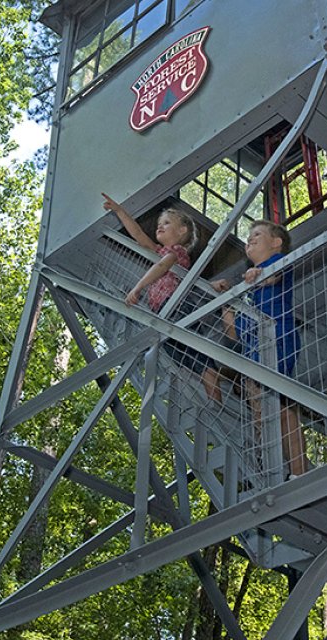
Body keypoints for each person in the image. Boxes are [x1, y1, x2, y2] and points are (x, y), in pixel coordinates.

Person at [102, 193, 222, 401]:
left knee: (198, 358)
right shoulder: (161, 250)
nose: (160, 226)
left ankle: (215, 397)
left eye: (167, 223)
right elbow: (138, 235)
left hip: (177, 306)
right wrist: (120, 211)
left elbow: (162, 266)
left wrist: (138, 287)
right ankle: (214, 392)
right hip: (165, 312)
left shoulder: (177, 252)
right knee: (183, 356)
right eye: (160, 223)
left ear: (182, 231)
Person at [213, 220, 306, 477]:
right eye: (248, 236)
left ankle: (298, 471)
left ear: (276, 243)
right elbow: (233, 332)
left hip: (277, 337)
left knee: (281, 405)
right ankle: (271, 469)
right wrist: (226, 302)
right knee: (259, 407)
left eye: (257, 235)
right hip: (255, 350)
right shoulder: (249, 295)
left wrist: (258, 275)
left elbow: (274, 275)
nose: (250, 240)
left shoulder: (275, 263)